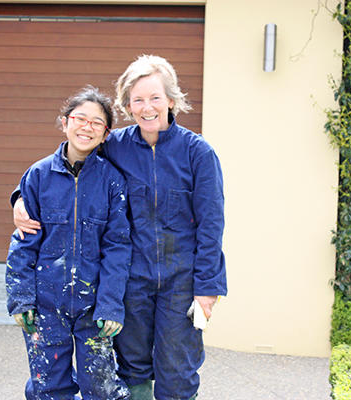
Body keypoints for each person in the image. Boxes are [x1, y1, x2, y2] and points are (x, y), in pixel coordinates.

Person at [13, 55, 227, 400]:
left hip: (182, 282)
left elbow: (211, 225)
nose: (147, 107)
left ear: (171, 100)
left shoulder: (198, 153)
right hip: (132, 282)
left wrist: (208, 289)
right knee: (132, 367)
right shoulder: (115, 146)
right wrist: (20, 197)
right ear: (127, 105)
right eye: (137, 99)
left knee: (178, 370)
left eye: (155, 98)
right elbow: (68, 171)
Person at [6, 86, 131, 400]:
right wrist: (21, 298)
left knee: (101, 388)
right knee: (48, 386)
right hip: (45, 306)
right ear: (64, 122)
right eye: (80, 118)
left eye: (97, 123)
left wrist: (111, 305)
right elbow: (23, 242)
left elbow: (118, 247)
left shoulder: (112, 181)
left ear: (106, 134)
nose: (86, 127)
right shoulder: (37, 176)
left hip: (95, 308)